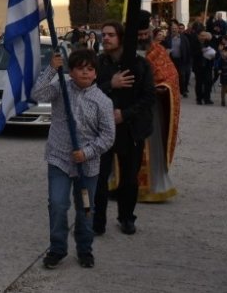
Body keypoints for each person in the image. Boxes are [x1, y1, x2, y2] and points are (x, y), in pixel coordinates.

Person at [31, 49, 115, 270]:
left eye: (90, 69)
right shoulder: (61, 88)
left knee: (86, 208)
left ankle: (85, 249)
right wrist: (51, 68)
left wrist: (86, 152)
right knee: (58, 204)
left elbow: (108, 137)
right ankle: (57, 249)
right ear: (71, 71)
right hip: (59, 159)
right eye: (80, 68)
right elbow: (37, 94)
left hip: (87, 168)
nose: (85, 73)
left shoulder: (103, 102)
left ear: (95, 74)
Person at [94, 20, 155, 235]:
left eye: (111, 34)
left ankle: (127, 217)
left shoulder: (141, 64)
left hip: (130, 129)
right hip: (103, 129)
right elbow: (87, 93)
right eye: (104, 34)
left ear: (121, 38)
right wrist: (111, 84)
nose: (106, 38)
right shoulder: (99, 64)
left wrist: (124, 114)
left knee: (129, 178)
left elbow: (148, 97)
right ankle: (97, 220)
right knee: (99, 177)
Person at [136, 10, 179, 202]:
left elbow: (171, 77)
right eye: (138, 35)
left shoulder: (158, 52)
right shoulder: (121, 51)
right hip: (125, 107)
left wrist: (159, 88)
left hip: (149, 108)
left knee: (150, 148)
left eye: (145, 34)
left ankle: (151, 187)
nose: (142, 37)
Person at [164, 20, 191, 98]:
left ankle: (183, 90)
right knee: (173, 76)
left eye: (175, 28)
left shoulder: (184, 38)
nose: (174, 29)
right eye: (173, 28)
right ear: (170, 29)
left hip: (181, 60)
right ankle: (174, 90)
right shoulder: (168, 38)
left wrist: (188, 61)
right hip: (171, 60)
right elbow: (164, 48)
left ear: (178, 29)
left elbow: (188, 49)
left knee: (182, 76)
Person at [194, 31, 216, 104]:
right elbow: (193, 53)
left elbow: (214, 51)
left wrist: (212, 56)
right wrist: (201, 51)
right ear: (199, 36)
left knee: (208, 82)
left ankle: (207, 98)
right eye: (202, 35)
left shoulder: (209, 43)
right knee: (199, 83)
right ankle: (199, 99)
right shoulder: (195, 43)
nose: (203, 37)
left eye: (204, 36)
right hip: (199, 66)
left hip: (208, 66)